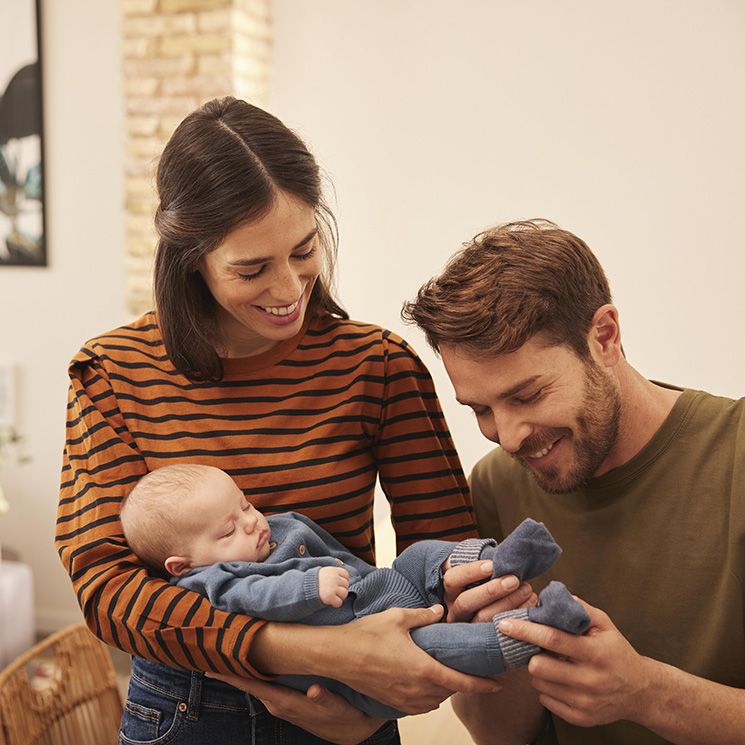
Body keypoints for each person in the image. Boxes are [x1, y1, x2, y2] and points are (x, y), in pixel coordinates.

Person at [56, 97, 528, 745]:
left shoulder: (378, 366)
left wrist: (374, 702)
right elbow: (108, 594)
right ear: (190, 260)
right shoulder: (111, 373)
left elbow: (446, 566)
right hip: (186, 712)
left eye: (303, 250)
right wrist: (319, 652)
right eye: (251, 268)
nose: (287, 289)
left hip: (350, 716)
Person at [401, 218, 745, 745]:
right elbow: (501, 736)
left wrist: (647, 693)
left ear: (604, 337)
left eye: (528, 395)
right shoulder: (495, 486)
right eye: (481, 409)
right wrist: (507, 647)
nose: (509, 437)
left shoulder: (735, 453)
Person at [119, 463, 590, 719]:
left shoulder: (268, 531)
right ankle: (535, 630)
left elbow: (333, 549)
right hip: (363, 667)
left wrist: (385, 577)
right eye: (228, 531)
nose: (251, 522)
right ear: (182, 565)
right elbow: (255, 601)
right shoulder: (210, 582)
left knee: (424, 554)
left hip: (379, 591)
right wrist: (309, 585)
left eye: (245, 504)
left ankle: (500, 559)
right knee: (444, 649)